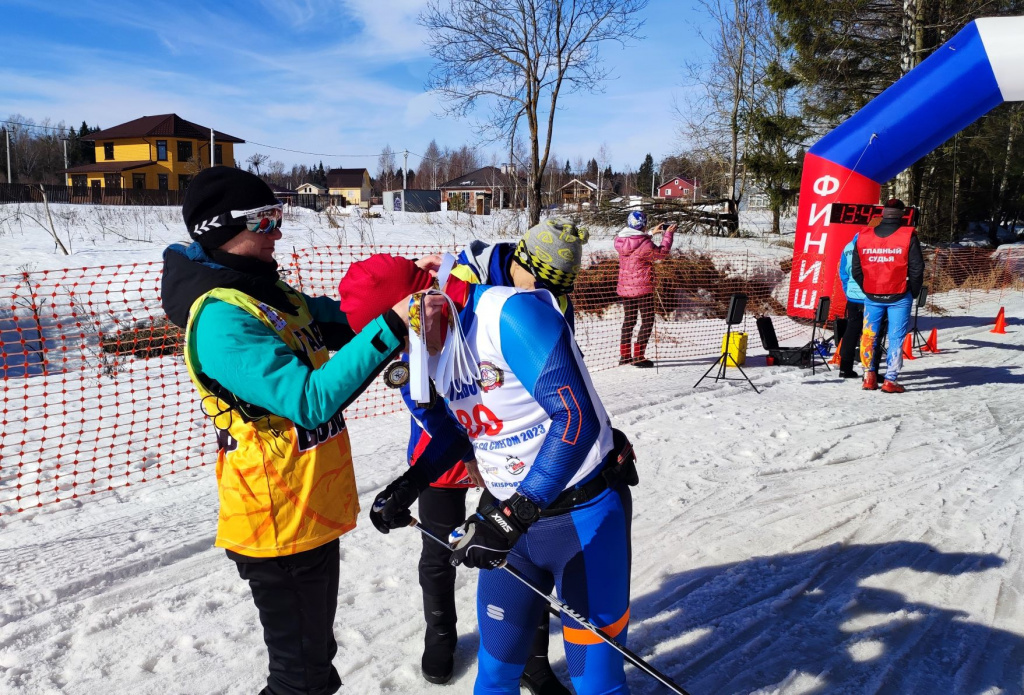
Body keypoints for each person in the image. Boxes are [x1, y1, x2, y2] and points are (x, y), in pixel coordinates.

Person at [161, 166, 422, 695]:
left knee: (314, 661)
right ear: (221, 229)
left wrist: (412, 280)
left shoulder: (267, 290)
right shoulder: (220, 319)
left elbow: (347, 316)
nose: (278, 230)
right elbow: (308, 400)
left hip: (308, 510)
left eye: (278, 215)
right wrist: (393, 326)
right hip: (274, 524)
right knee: (299, 678)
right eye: (266, 220)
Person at [339, 253, 638, 694]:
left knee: (596, 684)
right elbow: (465, 432)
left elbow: (575, 420)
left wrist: (513, 515)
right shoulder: (429, 343)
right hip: (513, 525)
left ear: (420, 305)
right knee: (496, 675)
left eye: (401, 337)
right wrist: (411, 483)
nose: (402, 354)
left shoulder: (508, 314)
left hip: (583, 519)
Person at [387, 220, 587, 692]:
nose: (545, 295)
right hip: (449, 437)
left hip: (512, 448)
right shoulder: (457, 284)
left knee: (517, 549)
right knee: (440, 542)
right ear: (521, 261)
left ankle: (533, 660)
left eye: (559, 290)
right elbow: (420, 386)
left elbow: (556, 386)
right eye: (540, 283)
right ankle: (440, 635)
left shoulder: (548, 300)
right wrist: (450, 452)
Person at [851, 198, 925, 393]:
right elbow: (917, 268)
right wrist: (913, 291)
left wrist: (867, 287)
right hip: (899, 295)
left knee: (868, 336)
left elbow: (856, 269)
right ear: (902, 215)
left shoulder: (863, 235)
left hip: (872, 295)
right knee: (896, 338)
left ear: (882, 214)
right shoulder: (907, 235)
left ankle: (868, 377)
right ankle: (890, 380)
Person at [615, 210, 676, 368]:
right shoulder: (645, 243)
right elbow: (661, 254)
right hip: (643, 289)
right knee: (647, 321)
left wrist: (650, 233)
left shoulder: (621, 240)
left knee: (629, 321)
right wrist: (667, 235)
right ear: (643, 225)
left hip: (626, 289)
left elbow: (636, 241)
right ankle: (639, 357)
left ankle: (625, 355)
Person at [836, 233, 883, 379]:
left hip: (853, 296)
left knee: (851, 332)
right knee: (874, 333)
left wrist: (848, 291)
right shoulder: (874, 247)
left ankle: (845, 368)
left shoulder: (848, 247)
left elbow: (843, 272)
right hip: (871, 296)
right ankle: (870, 371)